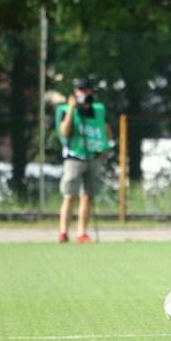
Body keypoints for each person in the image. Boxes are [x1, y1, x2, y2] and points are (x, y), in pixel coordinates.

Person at [56, 77, 112, 243]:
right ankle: (63, 232)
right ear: (75, 91)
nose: (84, 93)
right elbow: (65, 132)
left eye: (86, 90)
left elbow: (105, 130)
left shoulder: (98, 110)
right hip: (74, 156)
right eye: (80, 90)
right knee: (69, 195)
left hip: (93, 156)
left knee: (87, 195)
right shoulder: (67, 109)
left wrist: (106, 147)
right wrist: (73, 108)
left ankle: (81, 232)